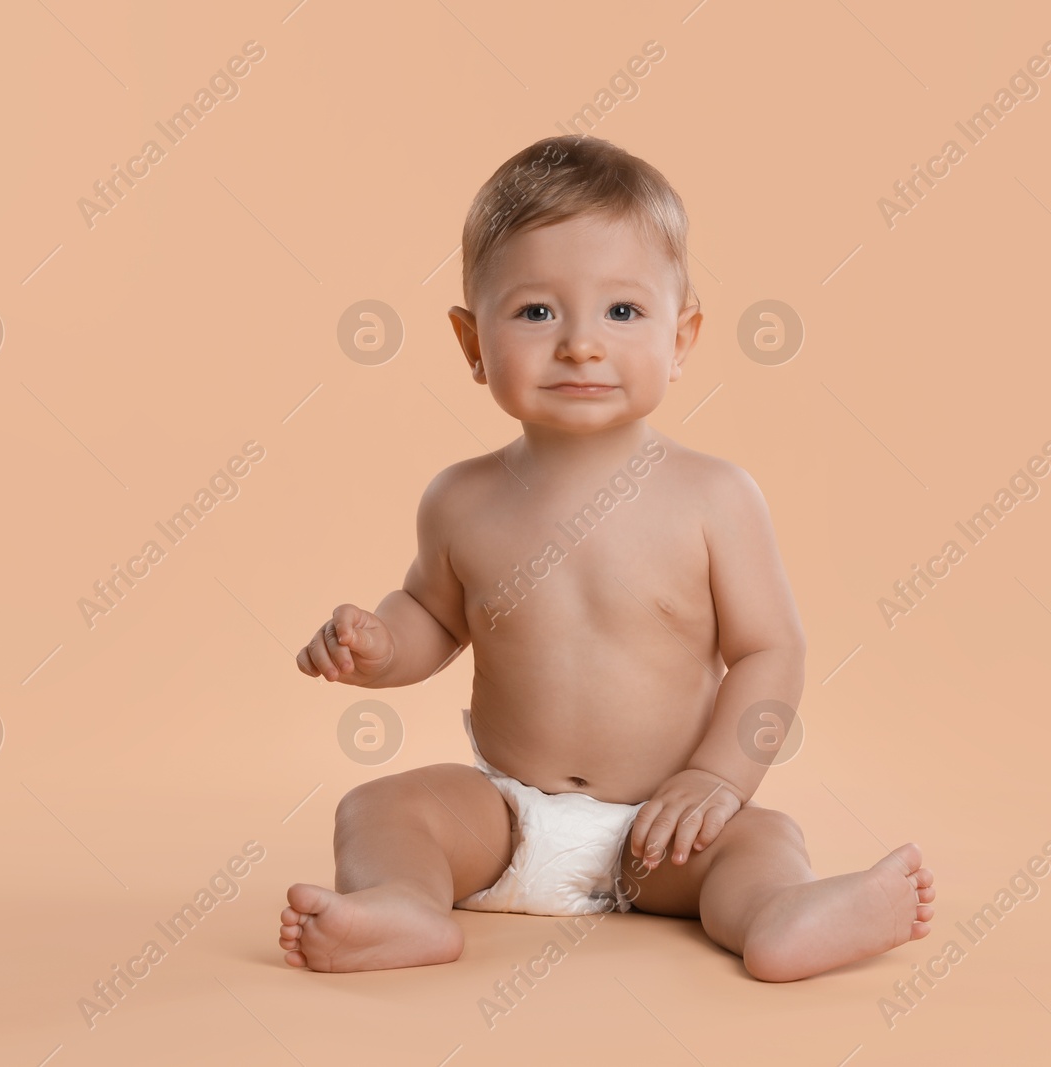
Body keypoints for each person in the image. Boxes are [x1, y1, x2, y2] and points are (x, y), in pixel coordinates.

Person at [280, 134, 933, 981]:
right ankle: (403, 906)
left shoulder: (714, 497)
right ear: (471, 343)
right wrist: (377, 647)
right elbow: (435, 617)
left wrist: (717, 778)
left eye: (623, 313)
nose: (581, 344)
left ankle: (784, 914)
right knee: (380, 805)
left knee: (758, 841)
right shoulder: (459, 498)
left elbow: (773, 651)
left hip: (663, 829)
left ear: (682, 336)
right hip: (505, 815)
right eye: (537, 312)